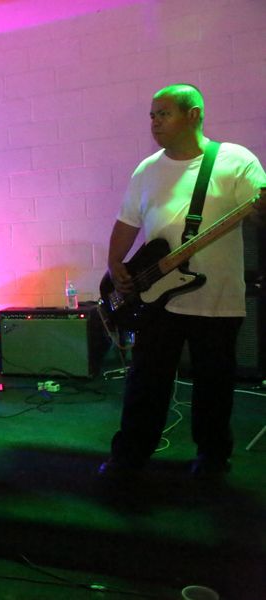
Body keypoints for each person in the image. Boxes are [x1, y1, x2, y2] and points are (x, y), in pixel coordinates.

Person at [98, 84, 265, 479]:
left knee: (214, 384)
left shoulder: (235, 160)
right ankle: (129, 456)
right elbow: (127, 223)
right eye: (152, 115)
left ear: (193, 115)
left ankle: (212, 458)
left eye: (164, 114)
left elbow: (260, 213)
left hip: (217, 299)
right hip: (158, 298)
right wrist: (115, 265)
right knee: (145, 381)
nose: (155, 122)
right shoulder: (147, 169)